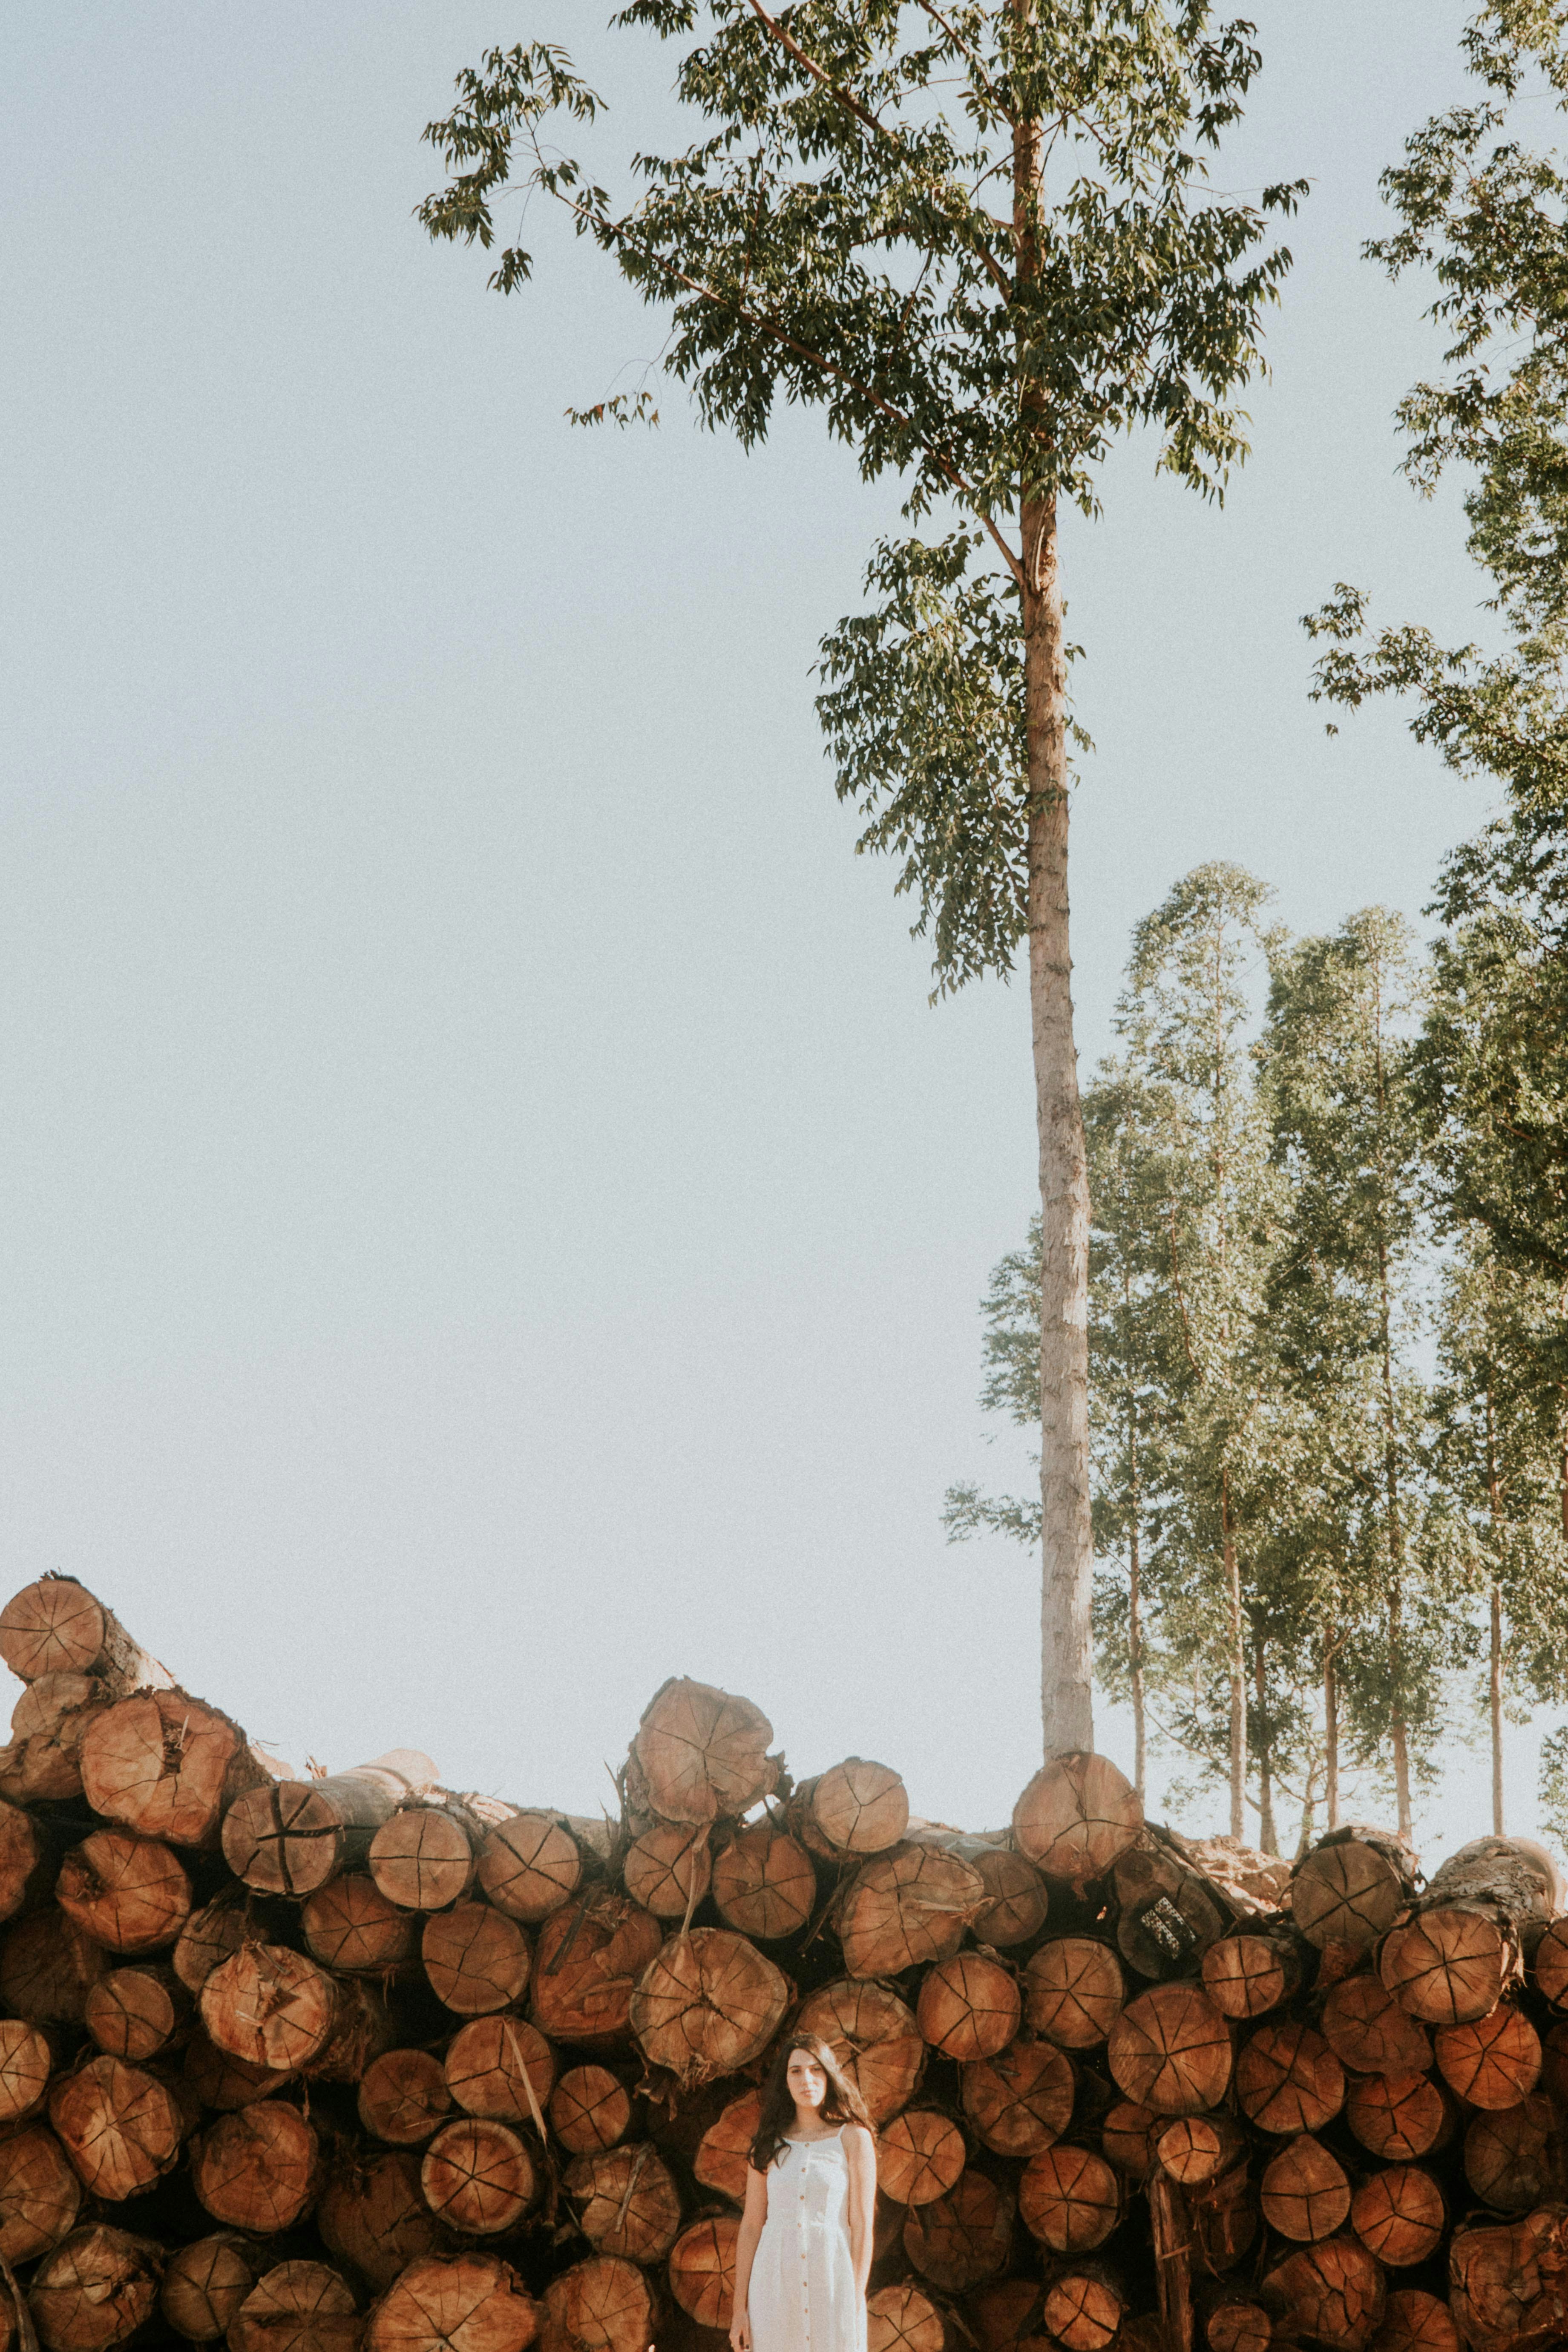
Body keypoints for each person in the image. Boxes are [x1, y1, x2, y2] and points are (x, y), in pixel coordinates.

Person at [729, 2032, 875, 2352]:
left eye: (815, 2069)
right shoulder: (768, 2143)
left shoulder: (853, 2138)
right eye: (795, 2070)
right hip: (774, 2284)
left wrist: (854, 2296)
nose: (806, 2079)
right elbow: (752, 2225)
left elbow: (862, 2224)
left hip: (833, 2279)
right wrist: (739, 2310)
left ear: (829, 2074)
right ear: (784, 2080)